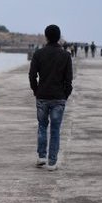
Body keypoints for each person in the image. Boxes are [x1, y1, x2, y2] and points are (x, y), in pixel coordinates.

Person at [29, 24, 73, 171]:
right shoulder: (66, 55)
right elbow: (69, 79)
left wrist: (36, 90)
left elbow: (32, 75)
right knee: (55, 129)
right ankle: (52, 162)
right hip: (58, 97)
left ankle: (41, 156)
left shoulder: (38, 54)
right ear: (59, 37)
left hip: (42, 96)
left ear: (46, 36)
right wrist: (65, 94)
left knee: (42, 126)